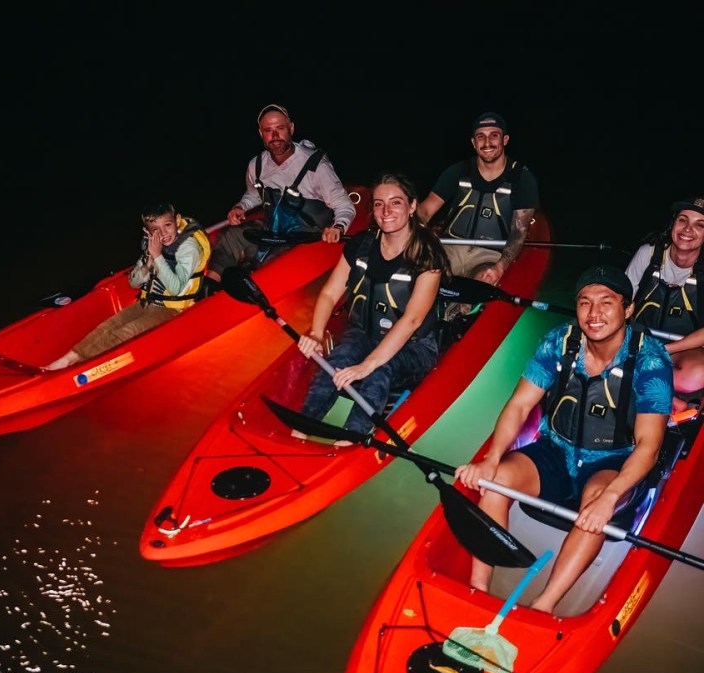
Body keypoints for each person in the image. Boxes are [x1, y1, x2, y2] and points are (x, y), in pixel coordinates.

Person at [455, 265, 673, 615]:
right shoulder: (560, 341)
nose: (594, 313)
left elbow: (649, 444)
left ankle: (543, 605)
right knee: (494, 483)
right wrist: (492, 457)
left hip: (612, 460)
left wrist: (612, 498)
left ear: (628, 309)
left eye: (607, 302)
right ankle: (478, 587)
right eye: (585, 303)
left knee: (597, 501)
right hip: (556, 448)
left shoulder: (651, 360)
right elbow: (520, 404)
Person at [291, 172, 449, 442]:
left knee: (379, 370)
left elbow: (411, 320)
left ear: (412, 207)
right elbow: (329, 293)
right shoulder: (361, 245)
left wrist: (367, 365)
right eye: (378, 204)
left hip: (414, 346)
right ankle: (302, 427)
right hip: (364, 331)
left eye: (396, 202)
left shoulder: (427, 255)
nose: (386, 211)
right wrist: (316, 334)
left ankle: (351, 438)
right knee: (338, 360)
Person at [44, 200, 210, 371]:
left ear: (177, 220)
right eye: (156, 230)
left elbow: (175, 288)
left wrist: (158, 256)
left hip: (173, 311)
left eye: (168, 225)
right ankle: (67, 359)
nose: (163, 234)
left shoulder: (188, 248)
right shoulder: (153, 244)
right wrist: (147, 265)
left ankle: (79, 369)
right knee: (107, 326)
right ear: (147, 231)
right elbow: (133, 283)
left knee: (125, 333)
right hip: (148, 302)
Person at [206, 103, 356, 286]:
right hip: (273, 230)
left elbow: (344, 205)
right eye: (268, 130)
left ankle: (261, 289)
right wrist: (241, 207)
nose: (275, 136)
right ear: (261, 134)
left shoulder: (316, 166)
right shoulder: (256, 165)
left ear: (291, 128)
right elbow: (254, 194)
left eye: (280, 128)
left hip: (306, 237)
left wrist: (338, 227)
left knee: (274, 263)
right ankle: (210, 289)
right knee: (230, 236)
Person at [417, 111, 539, 290]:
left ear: (505, 140)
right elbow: (426, 211)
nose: (487, 142)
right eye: (481, 137)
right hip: (449, 248)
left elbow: (519, 232)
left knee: (483, 280)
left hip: (490, 255)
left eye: (494, 136)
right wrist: (406, 229)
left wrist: (500, 266)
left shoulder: (522, 178)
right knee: (420, 271)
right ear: (474, 143)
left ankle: (462, 312)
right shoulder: (458, 171)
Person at [625, 196, 704, 408]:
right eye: (683, 220)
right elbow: (621, 300)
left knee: (698, 374)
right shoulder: (648, 254)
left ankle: (640, 382)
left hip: (681, 349)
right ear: (672, 224)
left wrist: (666, 351)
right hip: (638, 339)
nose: (688, 229)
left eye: (700, 225)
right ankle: (670, 399)